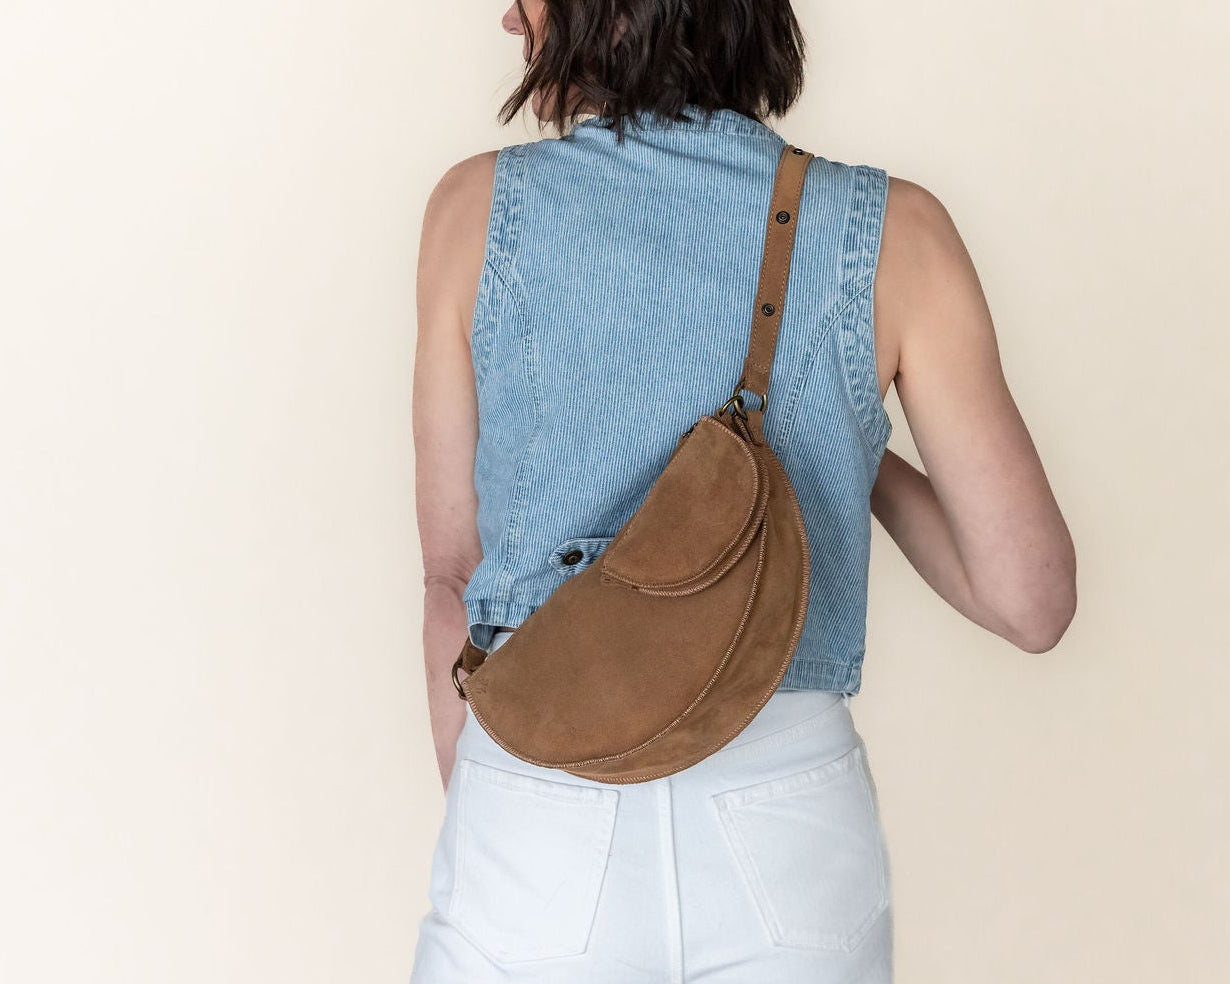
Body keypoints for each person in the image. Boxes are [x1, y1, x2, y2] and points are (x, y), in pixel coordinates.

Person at [409, 2, 1077, 981]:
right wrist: (838, 433)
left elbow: (448, 581)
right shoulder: (896, 233)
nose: (512, 16)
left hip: (539, 809)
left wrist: (503, 820)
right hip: (789, 831)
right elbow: (1030, 600)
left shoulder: (474, 212)